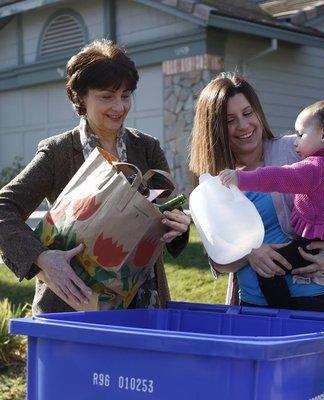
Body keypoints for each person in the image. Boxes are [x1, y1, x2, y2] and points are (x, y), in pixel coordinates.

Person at [0, 39, 190, 315]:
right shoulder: (59, 152)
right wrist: (42, 257)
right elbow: (4, 208)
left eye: (126, 95)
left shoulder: (146, 148)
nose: (119, 106)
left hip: (144, 304)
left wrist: (178, 225)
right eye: (106, 96)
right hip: (72, 306)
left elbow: (168, 214)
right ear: (80, 96)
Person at [189, 72, 324, 315]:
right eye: (229, 120)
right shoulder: (213, 184)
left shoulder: (297, 149)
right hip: (256, 308)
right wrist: (250, 252)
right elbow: (219, 260)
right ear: (214, 126)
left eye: (248, 113)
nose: (244, 125)